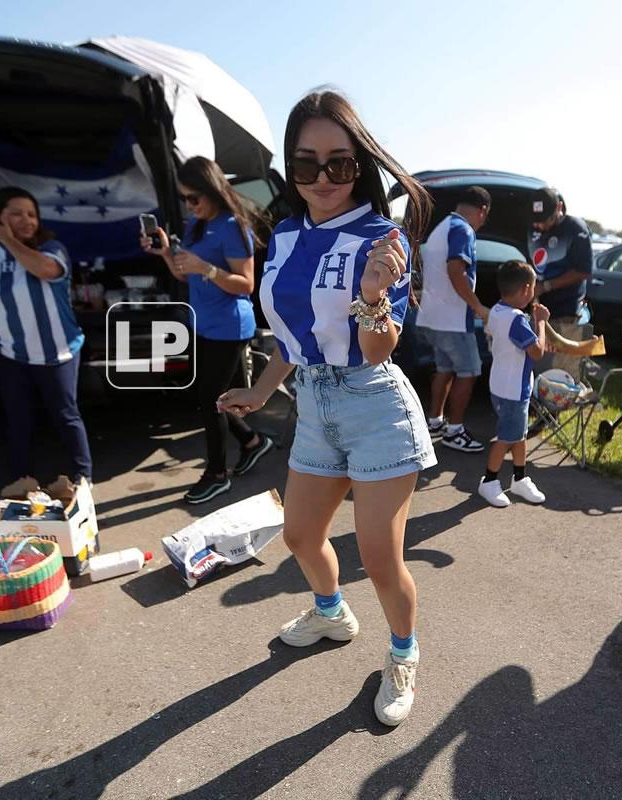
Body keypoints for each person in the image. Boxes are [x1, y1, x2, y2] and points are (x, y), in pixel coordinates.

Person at [217, 90, 436, 727]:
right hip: (312, 402)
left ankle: (403, 654)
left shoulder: (379, 235)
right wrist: (262, 391)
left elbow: (376, 351)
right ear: (290, 169)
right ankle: (331, 613)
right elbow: (294, 338)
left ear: (360, 165)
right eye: (306, 164)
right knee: (300, 536)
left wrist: (372, 293)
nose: (322, 179)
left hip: (373, 406)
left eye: (339, 164)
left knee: (380, 556)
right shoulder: (283, 236)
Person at [141, 157, 274, 504]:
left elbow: (246, 285)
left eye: (194, 198)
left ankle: (217, 474)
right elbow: (184, 274)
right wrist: (167, 253)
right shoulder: (196, 225)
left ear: (213, 190)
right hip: (202, 323)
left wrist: (208, 268)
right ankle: (252, 442)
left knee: (210, 402)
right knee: (217, 398)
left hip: (230, 327)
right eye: (185, 199)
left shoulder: (233, 226)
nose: (190, 205)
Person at [0, 186, 93, 487]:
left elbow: (45, 270)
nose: (26, 220)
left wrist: (6, 239)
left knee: (66, 416)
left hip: (57, 350)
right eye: (16, 214)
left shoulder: (51, 248)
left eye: (31, 215)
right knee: (18, 420)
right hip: (10, 351)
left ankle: (83, 477)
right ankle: (22, 482)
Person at [415, 185, 491, 453]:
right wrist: (478, 306)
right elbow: (456, 269)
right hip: (454, 320)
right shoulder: (463, 230)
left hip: (432, 317)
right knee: (469, 371)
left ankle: (434, 421)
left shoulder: (441, 228)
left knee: (445, 370)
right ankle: (454, 431)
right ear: (482, 211)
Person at [477, 260, 549, 508]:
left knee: (519, 434)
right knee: (507, 437)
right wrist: (540, 322)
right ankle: (489, 480)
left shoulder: (497, 310)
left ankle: (519, 477)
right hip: (513, 390)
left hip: (501, 384)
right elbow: (537, 352)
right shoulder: (517, 320)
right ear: (527, 289)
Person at [529, 187, 594, 377]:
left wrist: (546, 286)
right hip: (537, 307)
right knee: (539, 364)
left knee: (560, 369)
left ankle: (560, 402)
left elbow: (584, 271)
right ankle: (536, 403)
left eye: (546, 220)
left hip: (564, 311)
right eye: (537, 221)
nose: (540, 226)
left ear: (559, 208)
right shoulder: (533, 227)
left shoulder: (575, 229)